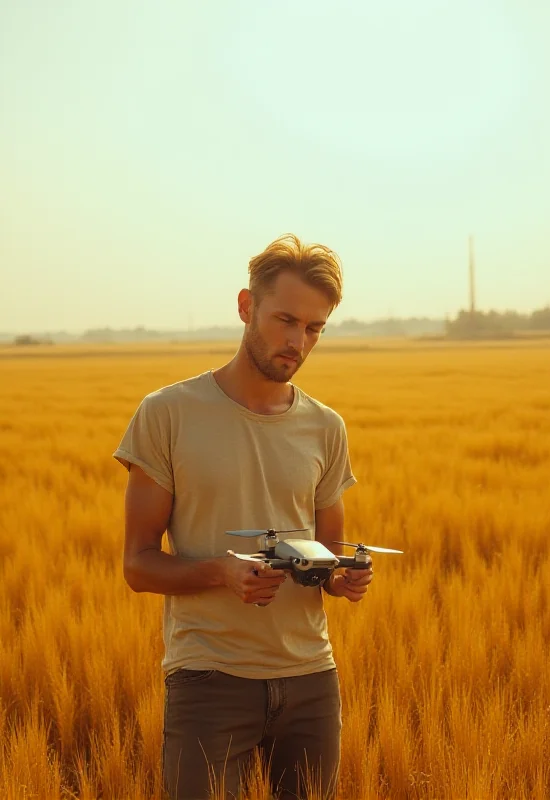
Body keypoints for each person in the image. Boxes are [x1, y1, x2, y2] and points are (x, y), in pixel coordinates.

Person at [113, 233, 374, 800]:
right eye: (285, 320)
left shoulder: (326, 428)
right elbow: (137, 566)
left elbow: (326, 560)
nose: (296, 341)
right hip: (209, 681)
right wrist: (221, 574)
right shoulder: (167, 414)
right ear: (245, 306)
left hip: (311, 682)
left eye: (313, 328)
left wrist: (344, 576)